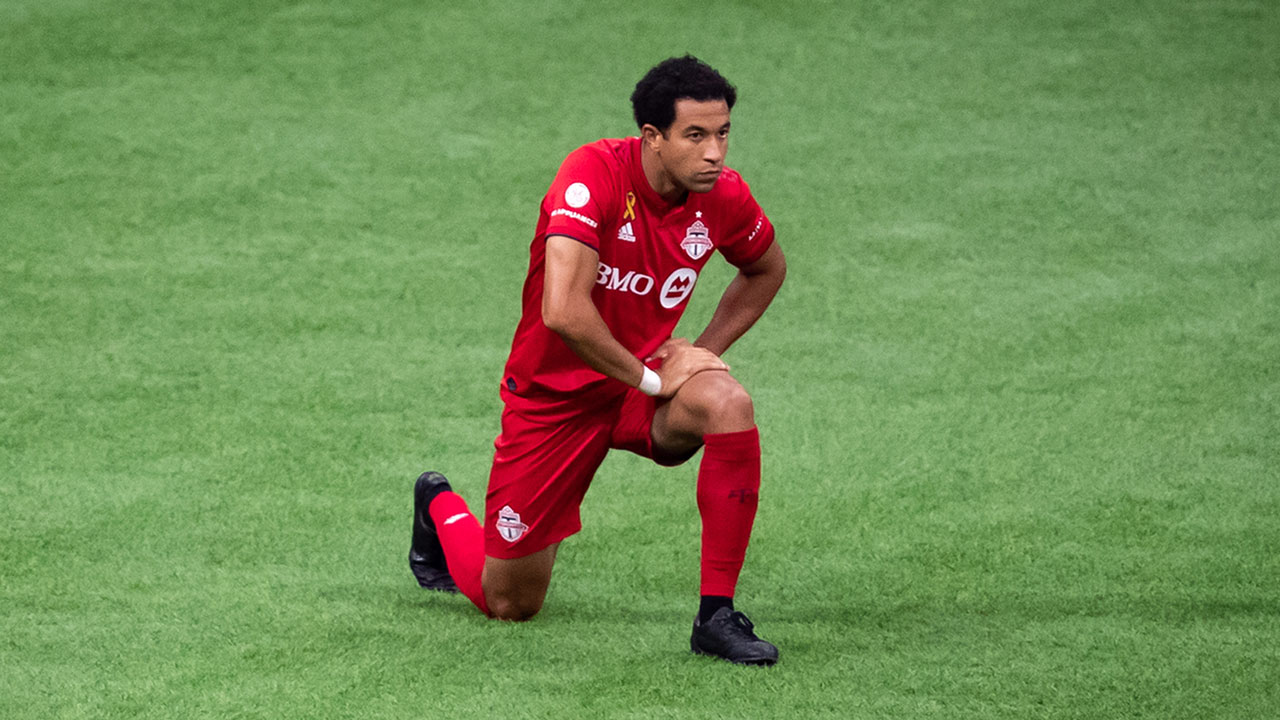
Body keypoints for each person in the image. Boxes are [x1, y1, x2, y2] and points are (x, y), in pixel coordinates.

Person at [409, 55, 787, 665]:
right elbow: (564, 311)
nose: (715, 152)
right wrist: (653, 375)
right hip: (553, 399)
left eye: (723, 134)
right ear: (652, 138)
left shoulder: (721, 196)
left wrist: (701, 353)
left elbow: (766, 268)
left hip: (641, 387)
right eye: (696, 136)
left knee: (728, 401)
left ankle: (716, 616)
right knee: (510, 603)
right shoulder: (591, 178)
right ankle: (439, 508)